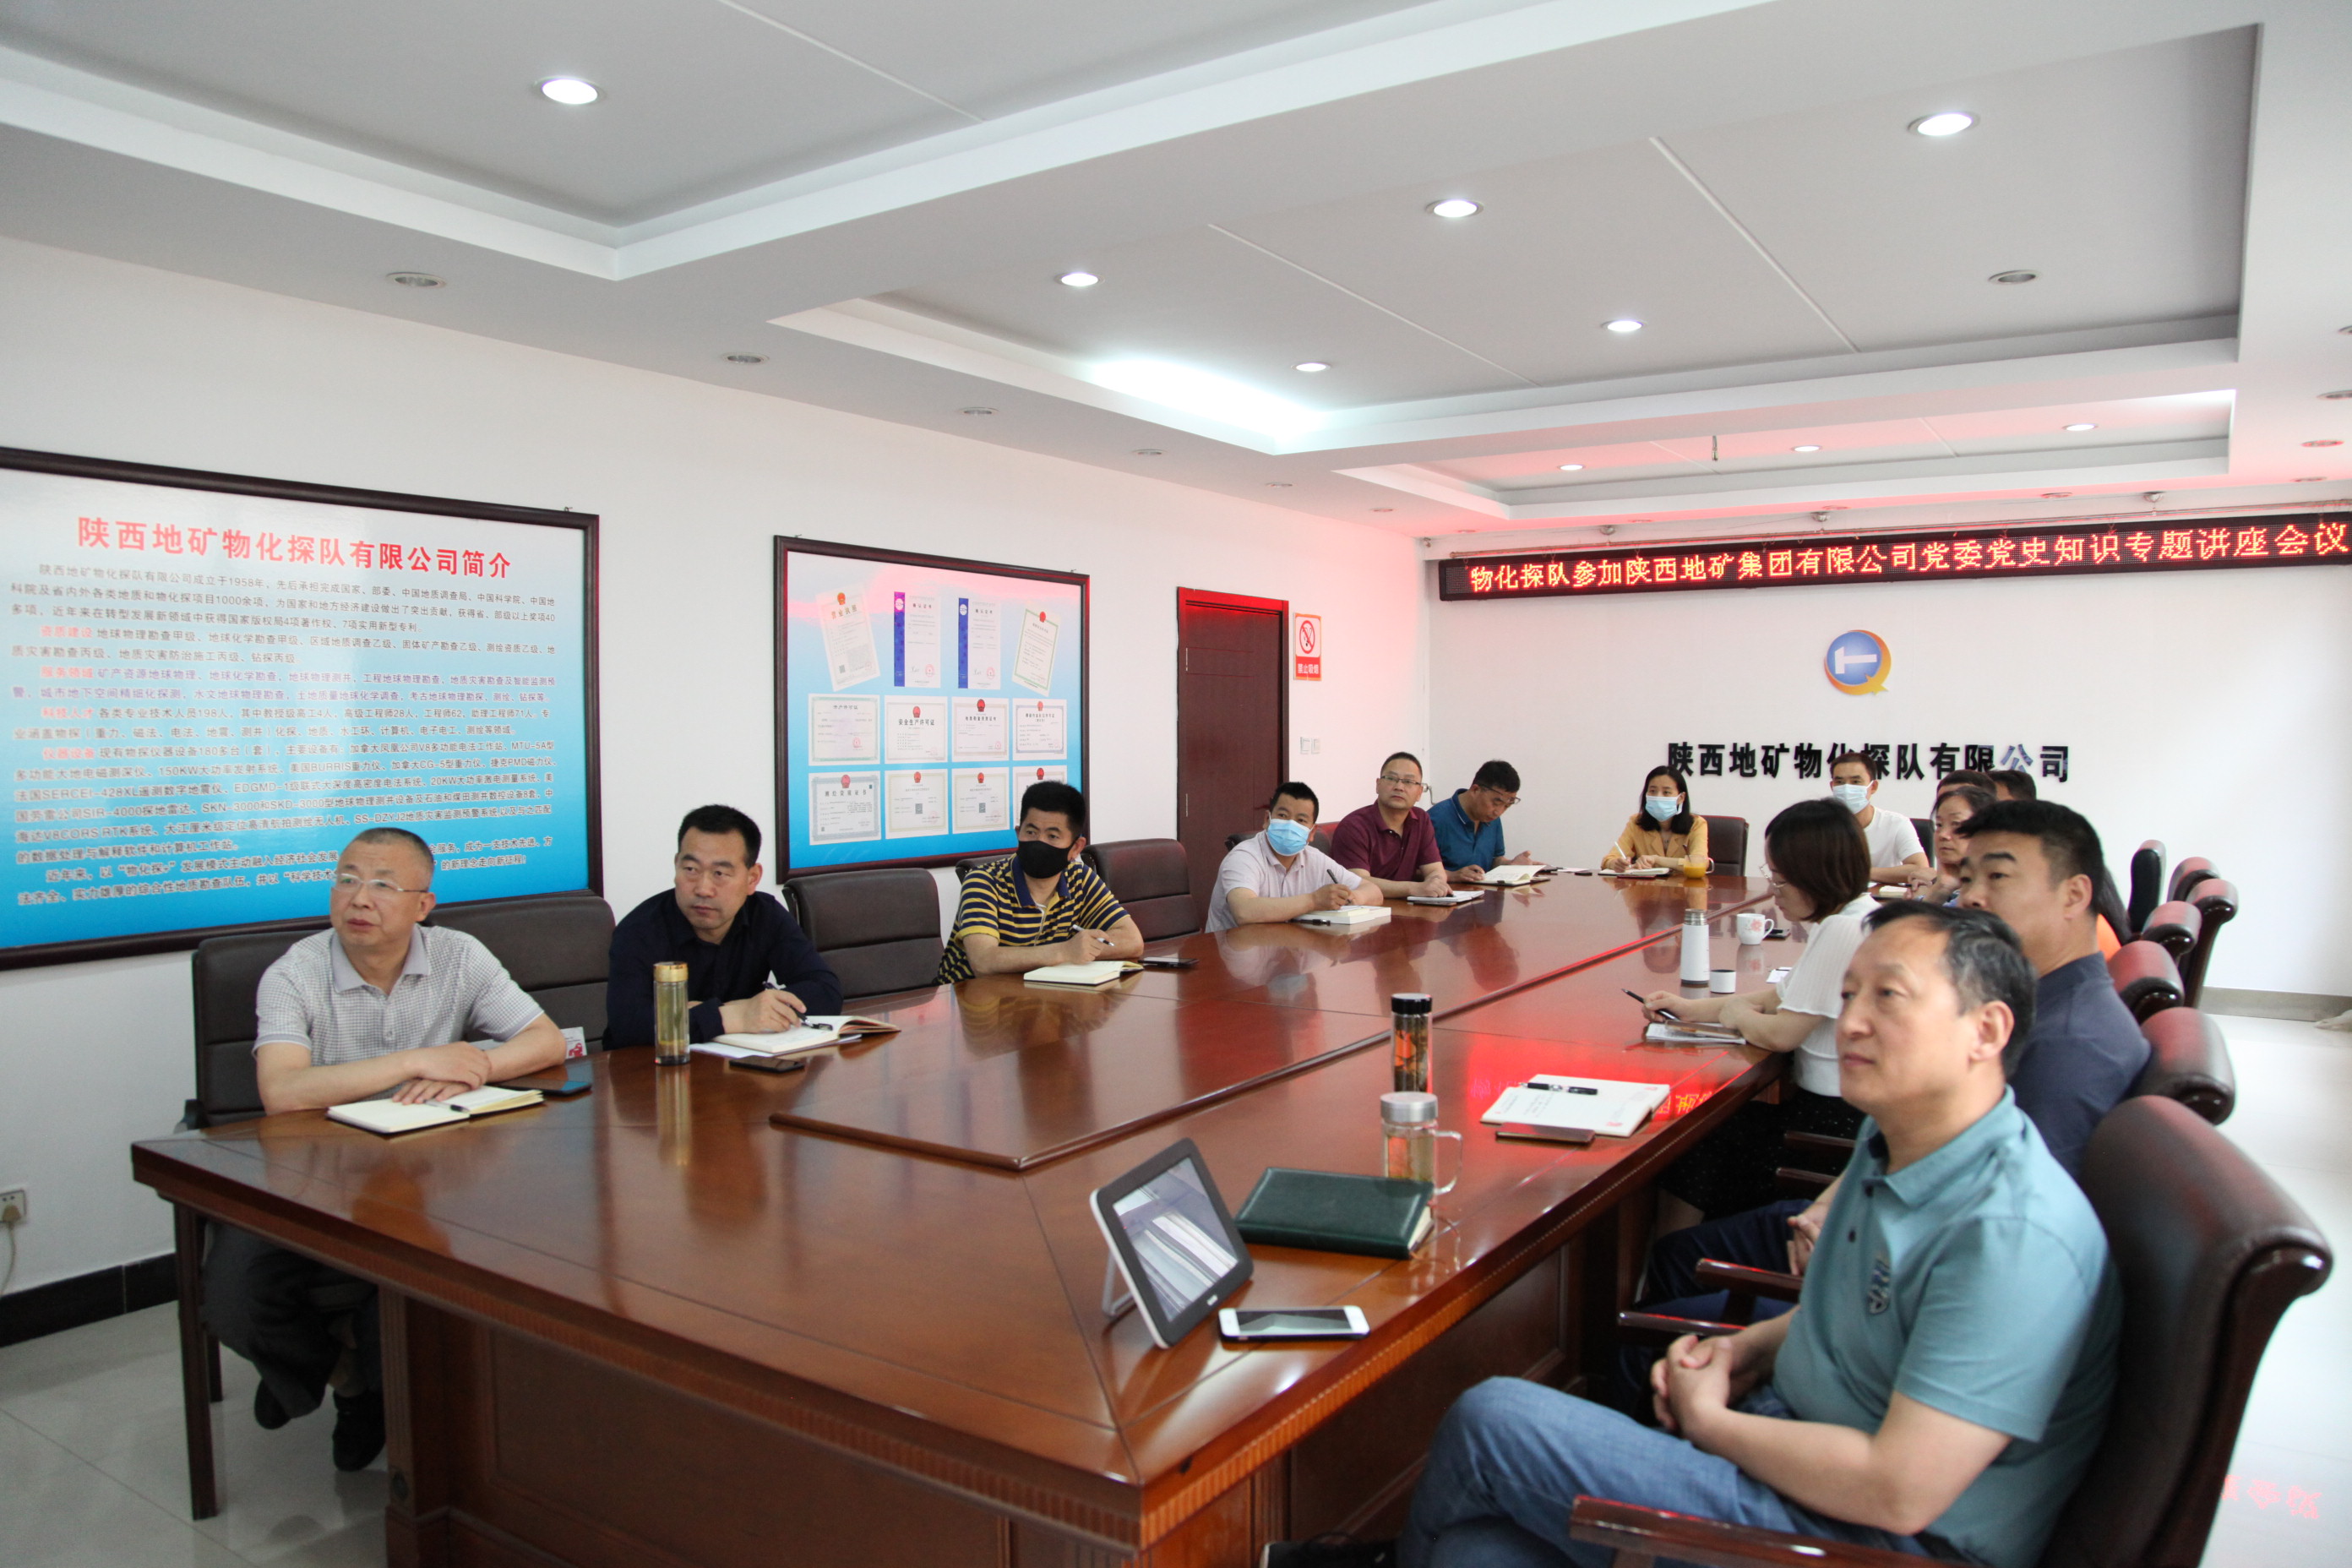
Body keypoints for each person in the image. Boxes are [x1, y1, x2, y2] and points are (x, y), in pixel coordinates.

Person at [1262, 905, 2117, 1568]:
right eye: (1849, 993)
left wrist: (1712, 1423)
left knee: (1492, 1420)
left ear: (1986, 1030)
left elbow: (1899, 1492)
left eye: (1886, 996)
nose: (1851, 1021)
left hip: (1865, 1537)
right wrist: (1748, 1351)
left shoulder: (2013, 1235)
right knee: (1473, 1552)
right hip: (1796, 1446)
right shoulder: (1903, 1134)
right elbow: (1857, 1316)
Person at [1640, 801, 2148, 1331]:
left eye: (1997, 876)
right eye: (1967, 877)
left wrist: (1833, 1260)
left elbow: (2002, 1245)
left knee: (1672, 1273)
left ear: (2075, 894)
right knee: (1684, 1245)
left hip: (1895, 1280)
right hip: (1875, 1209)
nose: (1973, 897)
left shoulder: (2069, 1048)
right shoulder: (2042, 1002)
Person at [210, 829, 568, 1471]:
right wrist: (413, 1062)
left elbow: (545, 1041)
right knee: (234, 1298)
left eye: (382, 885)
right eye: (347, 879)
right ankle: (342, 1376)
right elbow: (281, 1091)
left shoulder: (459, 955)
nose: (359, 899)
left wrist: (475, 1068)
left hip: (429, 1173)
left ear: (423, 905)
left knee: (428, 1290)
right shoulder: (294, 972)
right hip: (312, 1174)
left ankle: (382, 1407)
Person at [1640, 800, 1875, 1226]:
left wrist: (1734, 1012)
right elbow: (1777, 998)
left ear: (1815, 875)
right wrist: (1688, 1009)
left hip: (1829, 1128)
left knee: (1692, 1142)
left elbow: (1781, 1034)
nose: (1773, 891)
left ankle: (1676, 1258)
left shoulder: (1844, 929)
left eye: (1781, 880)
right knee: (1711, 1136)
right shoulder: (1857, 916)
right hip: (1838, 1116)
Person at [607, 804, 841, 1047]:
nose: (703, 889)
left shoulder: (765, 915)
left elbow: (826, 991)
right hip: (656, 1066)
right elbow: (628, 1027)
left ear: (752, 878)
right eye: (691, 869)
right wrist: (734, 1016)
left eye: (719, 873)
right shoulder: (639, 930)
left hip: (740, 1064)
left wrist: (724, 1011)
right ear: (676, 865)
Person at [938, 781, 1144, 979]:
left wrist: (1082, 950)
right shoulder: (983, 882)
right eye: (1031, 832)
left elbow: (1132, 941)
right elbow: (983, 961)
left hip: (1040, 994)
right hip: (971, 998)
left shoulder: (1080, 879)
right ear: (1018, 833)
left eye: (1052, 836)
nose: (1039, 843)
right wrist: (1065, 952)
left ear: (1076, 848)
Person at [1208, 781, 1385, 932]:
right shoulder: (1244, 856)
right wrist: (1314, 900)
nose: (1290, 825)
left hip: (1282, 947)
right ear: (1267, 820)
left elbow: (1374, 892)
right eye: (1283, 816)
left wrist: (1350, 899)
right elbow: (1244, 911)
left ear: (1312, 832)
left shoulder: (1314, 859)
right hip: (1229, 953)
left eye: (1301, 820)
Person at [1331, 753, 1451, 899]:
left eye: (1408, 781)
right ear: (1378, 785)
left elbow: (1434, 870)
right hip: (1368, 907)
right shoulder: (1354, 826)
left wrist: (1436, 883)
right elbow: (1358, 882)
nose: (1399, 787)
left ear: (1419, 792)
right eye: (1391, 779)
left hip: (1408, 907)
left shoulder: (1421, 819)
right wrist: (1414, 888)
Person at [1829, 750, 1929, 886]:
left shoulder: (1896, 824)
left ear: (1873, 787)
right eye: (1840, 782)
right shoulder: (1820, 826)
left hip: (1882, 898)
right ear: (1832, 786)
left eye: (1856, 782)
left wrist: (1863, 873)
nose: (1847, 788)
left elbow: (1920, 869)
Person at [1431, 760, 1536, 882]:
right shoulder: (1436, 819)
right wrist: (1452, 875)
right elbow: (1414, 871)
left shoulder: (1492, 818)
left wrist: (1511, 865)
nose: (1499, 812)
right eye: (1496, 803)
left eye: (1506, 806)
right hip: (1448, 892)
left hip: (1484, 892)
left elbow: (1494, 860)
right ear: (1475, 790)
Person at [1601, 765, 1711, 872]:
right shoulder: (1636, 823)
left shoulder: (1696, 824)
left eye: (1666, 792)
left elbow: (1699, 864)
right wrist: (1615, 864)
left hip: (1684, 884)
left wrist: (1657, 860)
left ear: (1681, 798)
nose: (1658, 797)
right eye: (1653, 791)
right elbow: (1608, 860)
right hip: (1646, 884)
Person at [1898, 781, 1994, 903]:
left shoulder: (1988, 894)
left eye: (1956, 824)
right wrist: (1941, 886)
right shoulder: (1955, 889)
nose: (1943, 834)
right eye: (1939, 825)